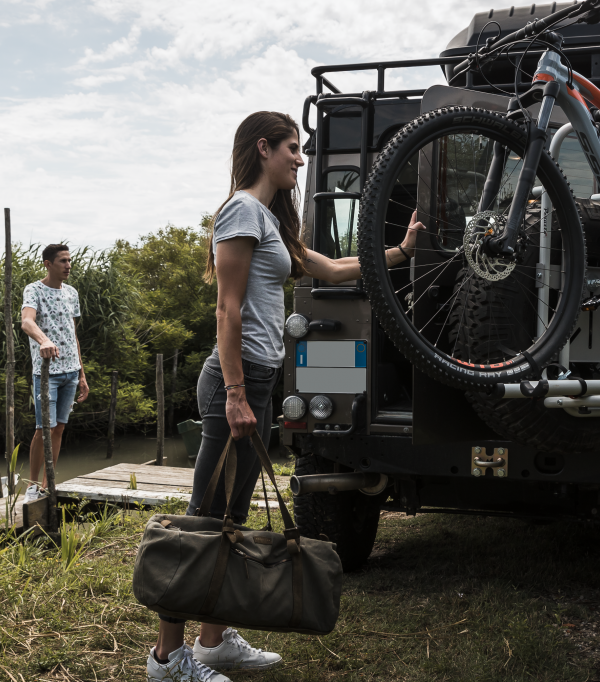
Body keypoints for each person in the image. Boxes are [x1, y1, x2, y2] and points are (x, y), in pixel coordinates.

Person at [146, 111, 423, 682]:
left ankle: (213, 642)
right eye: (293, 149)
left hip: (261, 380)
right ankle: (166, 660)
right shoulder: (242, 211)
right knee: (203, 518)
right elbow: (228, 309)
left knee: (231, 516)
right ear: (263, 148)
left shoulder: (269, 220)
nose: (301, 158)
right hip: (237, 379)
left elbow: (328, 267)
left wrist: (398, 252)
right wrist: (236, 392)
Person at [20, 243, 90, 503]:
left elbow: (73, 336)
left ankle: (49, 484)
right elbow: (27, 321)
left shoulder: (72, 293)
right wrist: (44, 340)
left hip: (71, 372)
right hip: (46, 374)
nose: (68, 265)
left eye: (70, 260)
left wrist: (82, 375)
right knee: (43, 428)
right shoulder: (34, 290)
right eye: (62, 261)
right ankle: (32, 485)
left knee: (59, 428)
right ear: (48, 264)